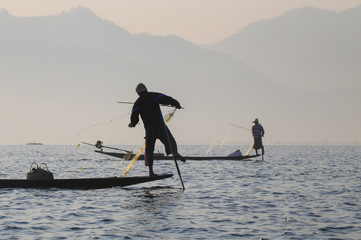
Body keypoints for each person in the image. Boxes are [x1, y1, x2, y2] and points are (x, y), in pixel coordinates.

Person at [128, 83, 186, 177]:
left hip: (149, 129)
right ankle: (175, 152)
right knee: (170, 140)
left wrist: (132, 124)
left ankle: (151, 172)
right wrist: (177, 104)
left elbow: (134, 116)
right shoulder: (154, 96)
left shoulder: (138, 102)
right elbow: (167, 99)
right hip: (160, 126)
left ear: (138, 93)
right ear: (146, 89)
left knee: (149, 150)